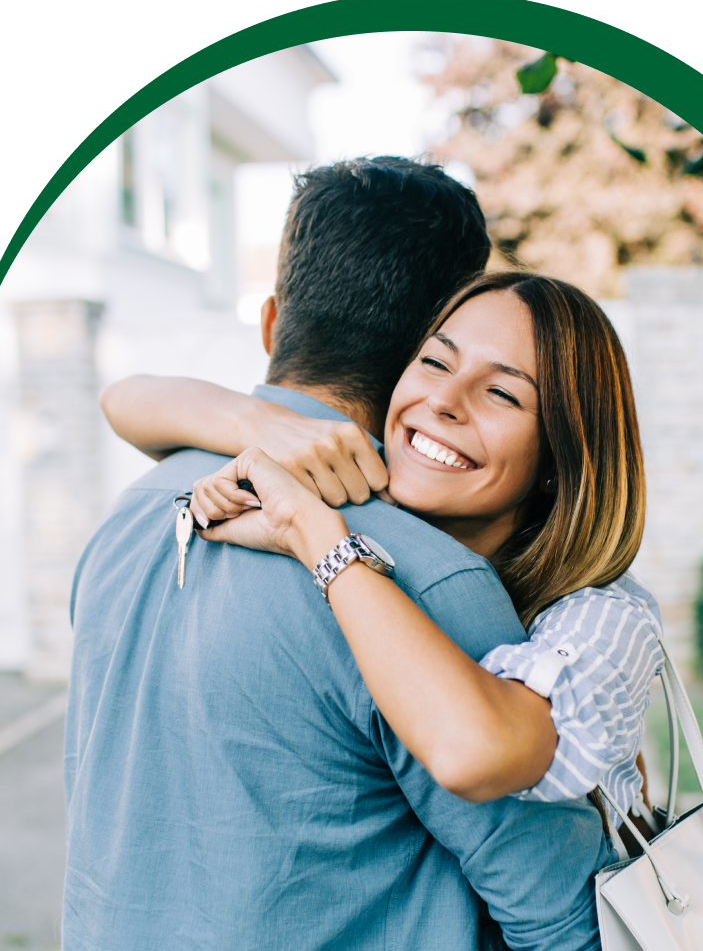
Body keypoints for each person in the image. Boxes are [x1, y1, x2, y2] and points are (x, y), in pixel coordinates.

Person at [64, 158, 613, 951]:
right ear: (424, 360)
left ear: (271, 323)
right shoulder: (425, 580)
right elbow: (566, 921)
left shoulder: (134, 515)